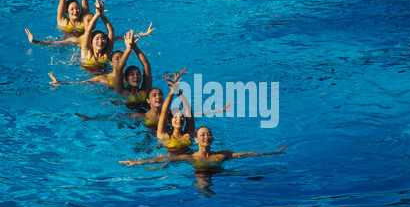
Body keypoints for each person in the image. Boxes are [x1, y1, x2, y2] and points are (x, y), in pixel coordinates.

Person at [120, 126, 287, 193]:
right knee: (204, 186)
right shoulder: (190, 157)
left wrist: (272, 153)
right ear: (196, 140)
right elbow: (162, 159)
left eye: (208, 135)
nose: (206, 137)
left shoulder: (221, 155)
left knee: (251, 174)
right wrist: (137, 162)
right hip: (201, 173)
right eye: (202, 135)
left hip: (221, 172)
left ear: (212, 139)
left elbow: (246, 153)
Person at [25, 21, 155, 47]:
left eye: (93, 20)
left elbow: (123, 38)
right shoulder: (77, 40)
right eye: (88, 21)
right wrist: (35, 41)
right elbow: (55, 43)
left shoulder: (102, 38)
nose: (91, 23)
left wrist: (144, 34)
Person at [156, 72, 195, 153]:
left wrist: (178, 91)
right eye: (175, 117)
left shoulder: (187, 134)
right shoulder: (165, 136)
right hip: (169, 161)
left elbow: (188, 111)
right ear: (169, 120)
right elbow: (163, 112)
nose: (179, 119)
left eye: (181, 116)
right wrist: (171, 92)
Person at [114, 30, 153, 110]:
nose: (136, 77)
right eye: (132, 75)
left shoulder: (144, 91)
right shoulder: (121, 91)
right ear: (125, 78)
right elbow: (119, 70)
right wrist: (128, 49)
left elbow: (146, 66)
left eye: (138, 74)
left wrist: (135, 47)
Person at [47, 50, 124, 86]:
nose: (120, 60)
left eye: (123, 58)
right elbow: (82, 82)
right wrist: (60, 83)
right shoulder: (104, 78)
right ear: (111, 63)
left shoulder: (129, 76)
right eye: (117, 59)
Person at [80, 0, 114, 72]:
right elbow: (88, 30)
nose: (100, 41)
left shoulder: (106, 54)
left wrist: (102, 14)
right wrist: (97, 14)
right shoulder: (87, 52)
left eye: (103, 38)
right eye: (97, 39)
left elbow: (111, 31)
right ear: (91, 41)